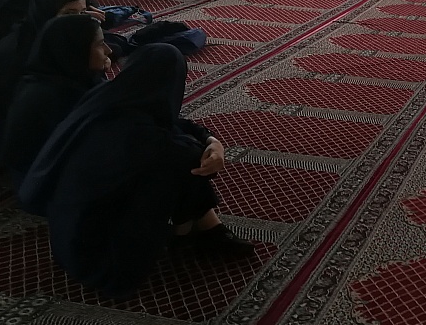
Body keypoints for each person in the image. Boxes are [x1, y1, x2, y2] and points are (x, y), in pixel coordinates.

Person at [19, 44, 255, 299]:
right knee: (183, 165)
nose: (109, 49)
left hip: (69, 239)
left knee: (174, 155)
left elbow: (175, 124)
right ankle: (188, 236)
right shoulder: (144, 136)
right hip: (103, 259)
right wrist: (210, 148)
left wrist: (211, 139)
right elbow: (198, 161)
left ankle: (207, 229)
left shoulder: (107, 98)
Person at [2, 14, 111, 189]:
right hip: (43, 184)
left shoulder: (65, 76)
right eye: (100, 44)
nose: (108, 50)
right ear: (75, 50)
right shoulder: (50, 97)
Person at [0, 0, 92, 166]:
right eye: (69, 14)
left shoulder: (47, 36)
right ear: (46, 11)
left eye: (83, 13)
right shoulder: (21, 51)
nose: (78, 21)